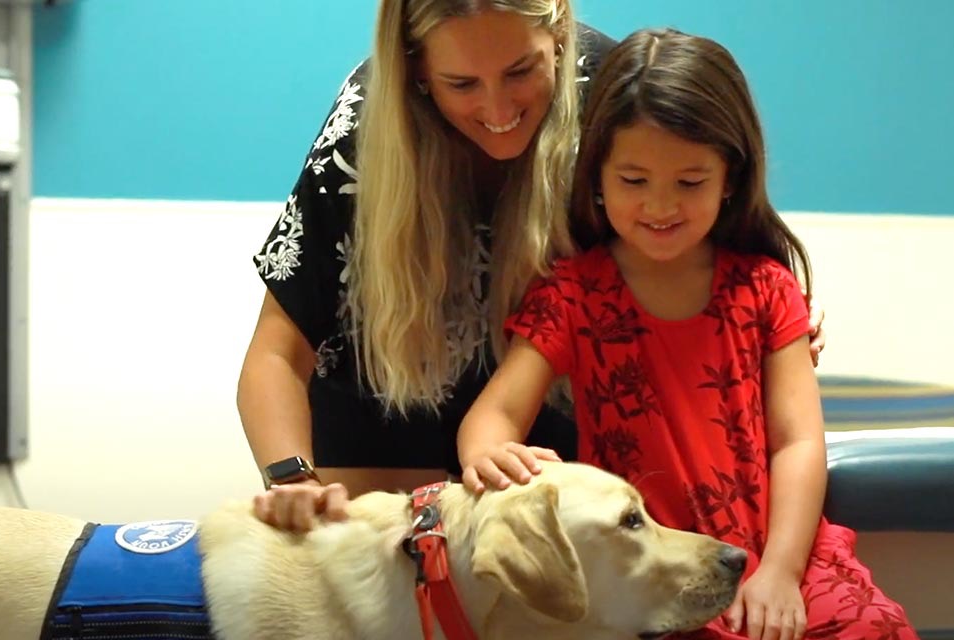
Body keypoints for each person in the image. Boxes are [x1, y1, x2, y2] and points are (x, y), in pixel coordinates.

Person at [240, 1, 826, 532]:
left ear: (560, 32)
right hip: (383, 422)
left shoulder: (612, 95)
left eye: (522, 71)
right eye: (461, 83)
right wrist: (293, 477)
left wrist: (772, 327)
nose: (498, 109)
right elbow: (276, 350)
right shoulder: (363, 131)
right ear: (417, 70)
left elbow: (706, 242)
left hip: (551, 455)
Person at [457, 28, 914, 640]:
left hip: (778, 558)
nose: (660, 205)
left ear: (731, 176)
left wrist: (778, 570)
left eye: (690, 182)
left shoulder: (767, 289)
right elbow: (494, 418)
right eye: (634, 180)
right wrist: (487, 452)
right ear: (597, 177)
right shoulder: (572, 293)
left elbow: (797, 442)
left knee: (874, 629)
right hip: (650, 571)